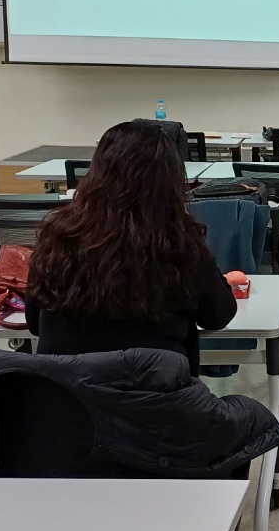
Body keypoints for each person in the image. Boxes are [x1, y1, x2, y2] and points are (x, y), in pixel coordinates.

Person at [26, 120, 236, 375]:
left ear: (97, 170)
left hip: (65, 395)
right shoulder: (181, 246)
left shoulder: (57, 238)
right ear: (169, 180)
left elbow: (34, 323)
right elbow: (218, 316)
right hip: (158, 395)